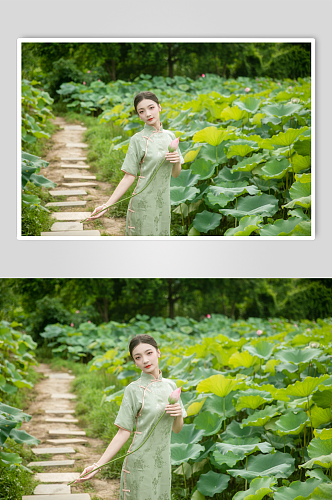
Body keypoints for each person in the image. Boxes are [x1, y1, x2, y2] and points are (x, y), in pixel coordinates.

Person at [74, 334, 187, 500]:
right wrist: (98, 465)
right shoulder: (133, 390)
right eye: (138, 357)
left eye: (149, 353)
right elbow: (123, 432)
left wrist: (178, 416)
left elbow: (176, 430)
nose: (145, 360)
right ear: (135, 362)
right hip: (139, 464)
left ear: (158, 352)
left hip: (163, 463)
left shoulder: (171, 386)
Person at [86, 91, 185, 236]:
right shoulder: (137, 140)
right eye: (142, 111)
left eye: (151, 108)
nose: (148, 114)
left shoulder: (170, 136)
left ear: (159, 107)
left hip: (163, 204)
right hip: (143, 203)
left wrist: (177, 162)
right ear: (139, 115)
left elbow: (175, 174)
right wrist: (107, 205)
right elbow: (129, 177)